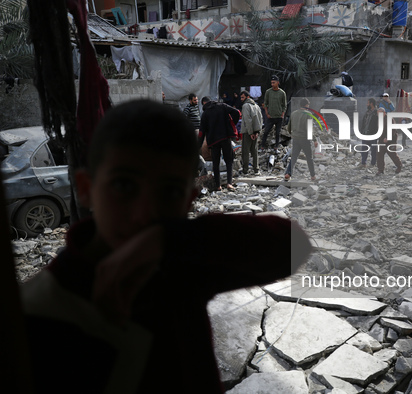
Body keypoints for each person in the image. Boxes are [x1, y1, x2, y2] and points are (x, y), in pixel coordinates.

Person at [20, 99, 312, 394]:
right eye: (124, 186)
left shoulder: (181, 262)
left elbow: (293, 245)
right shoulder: (39, 306)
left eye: (169, 191)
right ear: (85, 188)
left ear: (190, 198)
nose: (143, 212)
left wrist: (171, 239)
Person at [200, 96, 241, 191]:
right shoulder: (222, 106)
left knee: (216, 163)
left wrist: (198, 146)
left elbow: (201, 133)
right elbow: (236, 112)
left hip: (214, 141)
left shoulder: (205, 114)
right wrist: (231, 124)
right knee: (229, 161)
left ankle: (218, 186)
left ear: (204, 104)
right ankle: (229, 184)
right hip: (225, 137)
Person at [284, 98, 317, 181]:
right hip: (305, 139)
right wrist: (314, 139)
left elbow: (288, 127)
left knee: (294, 157)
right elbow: (309, 129)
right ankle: (313, 176)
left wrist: (293, 134)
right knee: (309, 158)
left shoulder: (294, 113)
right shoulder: (308, 114)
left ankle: (288, 173)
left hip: (295, 138)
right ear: (307, 105)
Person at [239, 90, 262, 176]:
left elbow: (248, 120)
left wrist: (250, 132)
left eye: (242, 97)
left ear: (247, 97)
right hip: (255, 132)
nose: (241, 99)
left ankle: (245, 170)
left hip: (248, 132)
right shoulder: (256, 105)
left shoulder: (245, 106)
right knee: (254, 151)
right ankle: (256, 170)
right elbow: (260, 119)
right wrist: (257, 132)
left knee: (245, 151)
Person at [261, 75, 287, 150]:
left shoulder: (282, 93)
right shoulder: (268, 92)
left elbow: (284, 105)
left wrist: (282, 114)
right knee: (266, 132)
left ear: (278, 83)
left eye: (274, 82)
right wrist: (266, 113)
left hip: (279, 117)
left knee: (277, 133)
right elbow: (265, 103)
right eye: (271, 83)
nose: (272, 84)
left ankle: (276, 146)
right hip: (270, 117)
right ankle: (262, 146)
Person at [375, 107, 403, 176]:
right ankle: (380, 170)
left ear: (384, 113)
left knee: (392, 154)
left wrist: (388, 137)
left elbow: (393, 129)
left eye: (381, 113)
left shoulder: (390, 119)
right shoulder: (379, 120)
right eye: (378, 113)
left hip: (391, 140)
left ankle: (399, 166)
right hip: (381, 140)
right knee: (379, 154)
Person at [359, 98, 379, 168]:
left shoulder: (377, 113)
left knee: (373, 150)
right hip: (365, 134)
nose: (366, 104)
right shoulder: (367, 112)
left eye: (368, 103)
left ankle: (373, 163)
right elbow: (364, 123)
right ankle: (363, 163)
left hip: (373, 135)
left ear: (371, 104)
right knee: (364, 149)